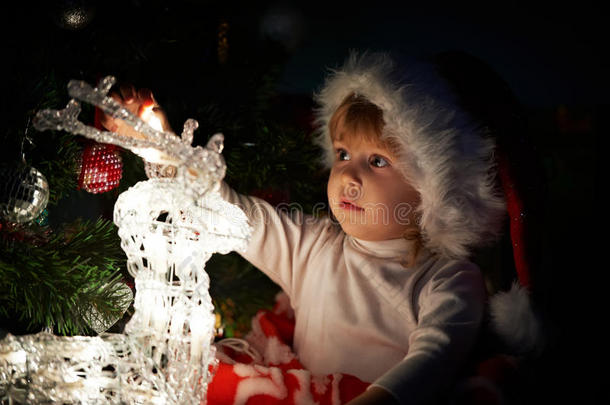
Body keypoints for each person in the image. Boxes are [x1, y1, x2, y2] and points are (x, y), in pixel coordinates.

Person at [102, 51, 506, 405]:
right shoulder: (313, 246)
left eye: (377, 161)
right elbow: (232, 211)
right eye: (344, 154)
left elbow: (434, 359)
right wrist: (160, 142)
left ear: (433, 189)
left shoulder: (449, 279)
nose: (348, 173)